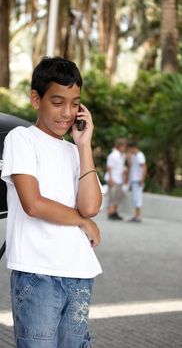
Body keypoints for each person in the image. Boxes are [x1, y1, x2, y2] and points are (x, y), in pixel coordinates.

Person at [1, 56, 102, 348]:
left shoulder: (74, 153)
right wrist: (82, 221)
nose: (67, 112)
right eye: (57, 102)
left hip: (80, 273)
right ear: (36, 99)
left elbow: (91, 206)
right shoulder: (22, 139)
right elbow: (33, 204)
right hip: (38, 273)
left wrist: (84, 145)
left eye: (75, 104)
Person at [104, 138, 126, 220]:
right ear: (119, 146)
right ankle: (110, 213)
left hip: (119, 179)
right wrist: (110, 179)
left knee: (118, 196)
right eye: (123, 146)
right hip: (113, 179)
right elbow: (109, 167)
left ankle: (115, 212)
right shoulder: (113, 155)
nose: (124, 148)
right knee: (112, 197)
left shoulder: (121, 155)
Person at [127, 141, 147, 222]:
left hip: (138, 180)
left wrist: (142, 179)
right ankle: (136, 215)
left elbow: (144, 167)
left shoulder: (140, 155)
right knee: (135, 198)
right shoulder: (133, 156)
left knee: (137, 197)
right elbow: (130, 166)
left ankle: (138, 216)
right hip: (134, 179)